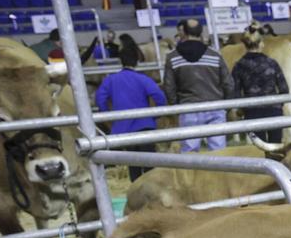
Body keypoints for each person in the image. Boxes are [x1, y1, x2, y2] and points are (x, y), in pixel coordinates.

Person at [92, 44, 167, 181]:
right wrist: (154, 116)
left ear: (121, 61)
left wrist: (108, 116)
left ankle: (136, 188)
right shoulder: (143, 79)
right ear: (137, 61)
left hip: (124, 128)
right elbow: (159, 97)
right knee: (151, 164)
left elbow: (100, 98)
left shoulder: (111, 80)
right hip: (145, 126)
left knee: (133, 165)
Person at [166, 19, 231, 152]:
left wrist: (176, 107)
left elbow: (169, 86)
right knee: (219, 152)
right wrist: (226, 106)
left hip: (188, 107)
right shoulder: (215, 56)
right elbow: (228, 83)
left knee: (190, 153)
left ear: (183, 32)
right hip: (215, 106)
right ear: (201, 32)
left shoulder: (173, 58)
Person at [229, 35, 289, 144]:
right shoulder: (272, 63)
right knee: (276, 147)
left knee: (259, 149)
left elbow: (235, 93)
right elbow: (284, 89)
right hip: (273, 110)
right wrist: (279, 105)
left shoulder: (238, 66)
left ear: (245, 45)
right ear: (261, 43)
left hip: (252, 112)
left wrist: (241, 110)